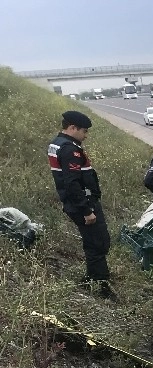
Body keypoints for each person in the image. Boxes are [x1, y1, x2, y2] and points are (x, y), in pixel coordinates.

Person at [47, 110, 113, 298]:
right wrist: (86, 210)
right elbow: (72, 182)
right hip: (83, 203)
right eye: (84, 131)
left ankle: (92, 277)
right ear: (72, 128)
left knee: (93, 242)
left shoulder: (57, 143)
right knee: (98, 243)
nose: (85, 135)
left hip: (76, 202)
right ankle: (101, 287)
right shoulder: (70, 149)